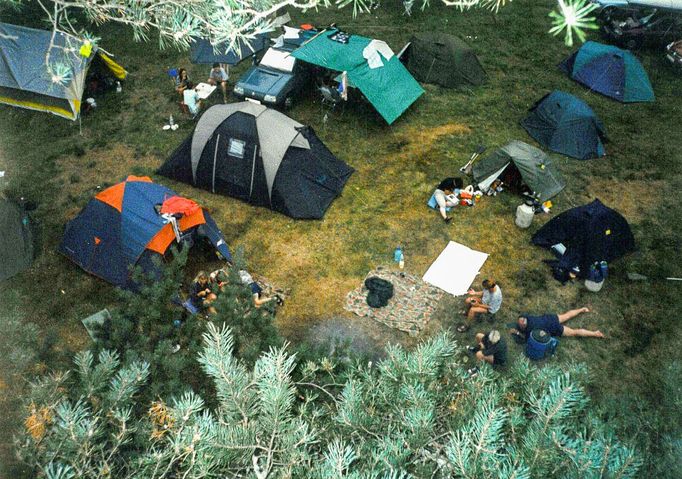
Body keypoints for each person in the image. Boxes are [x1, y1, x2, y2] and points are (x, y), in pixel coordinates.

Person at [511, 307, 605, 339]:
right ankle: (582, 309)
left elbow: (524, 339)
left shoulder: (529, 331)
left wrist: (517, 332)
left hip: (554, 328)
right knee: (567, 315)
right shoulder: (528, 317)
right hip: (550, 318)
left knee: (573, 332)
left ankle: (595, 333)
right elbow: (522, 315)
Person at [212, 269, 282, 308]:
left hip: (252, 286)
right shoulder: (235, 275)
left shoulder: (237, 275)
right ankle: (273, 302)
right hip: (251, 288)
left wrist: (225, 282)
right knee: (255, 305)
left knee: (257, 302)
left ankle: (275, 298)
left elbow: (236, 280)